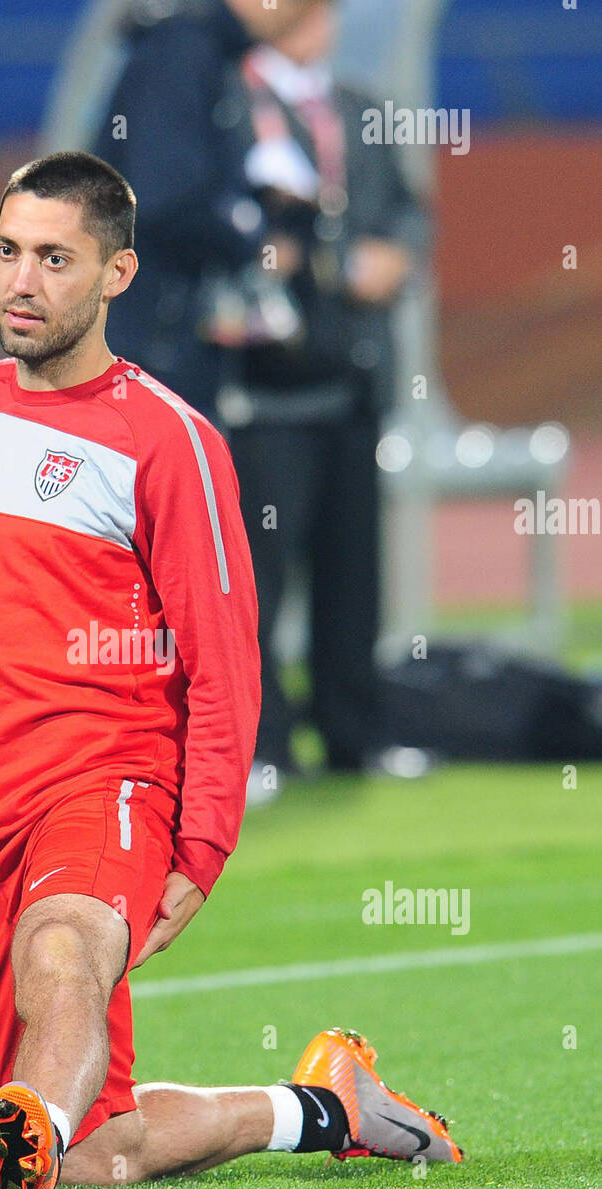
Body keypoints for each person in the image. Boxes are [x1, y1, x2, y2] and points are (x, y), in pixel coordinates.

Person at [0, 151, 462, 1189]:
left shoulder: (168, 441)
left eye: (53, 258)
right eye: (6, 253)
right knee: (107, 1153)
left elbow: (227, 659)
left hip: (110, 782)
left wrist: (205, 841)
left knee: (64, 950)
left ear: (116, 275)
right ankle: (322, 1103)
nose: (19, 282)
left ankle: (24, 1135)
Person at [224, 0, 429, 800]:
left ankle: (356, 735)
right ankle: (261, 745)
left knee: (354, 570)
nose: (320, 22)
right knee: (258, 578)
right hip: (269, 382)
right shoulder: (232, 105)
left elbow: (408, 211)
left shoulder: (359, 108)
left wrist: (397, 256)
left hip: (355, 373)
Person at [90, 0, 308, 422]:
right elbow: (164, 195)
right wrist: (251, 237)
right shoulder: (186, 48)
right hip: (154, 337)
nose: (294, 13)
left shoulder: (203, 47)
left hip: (157, 331)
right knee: (158, 479)